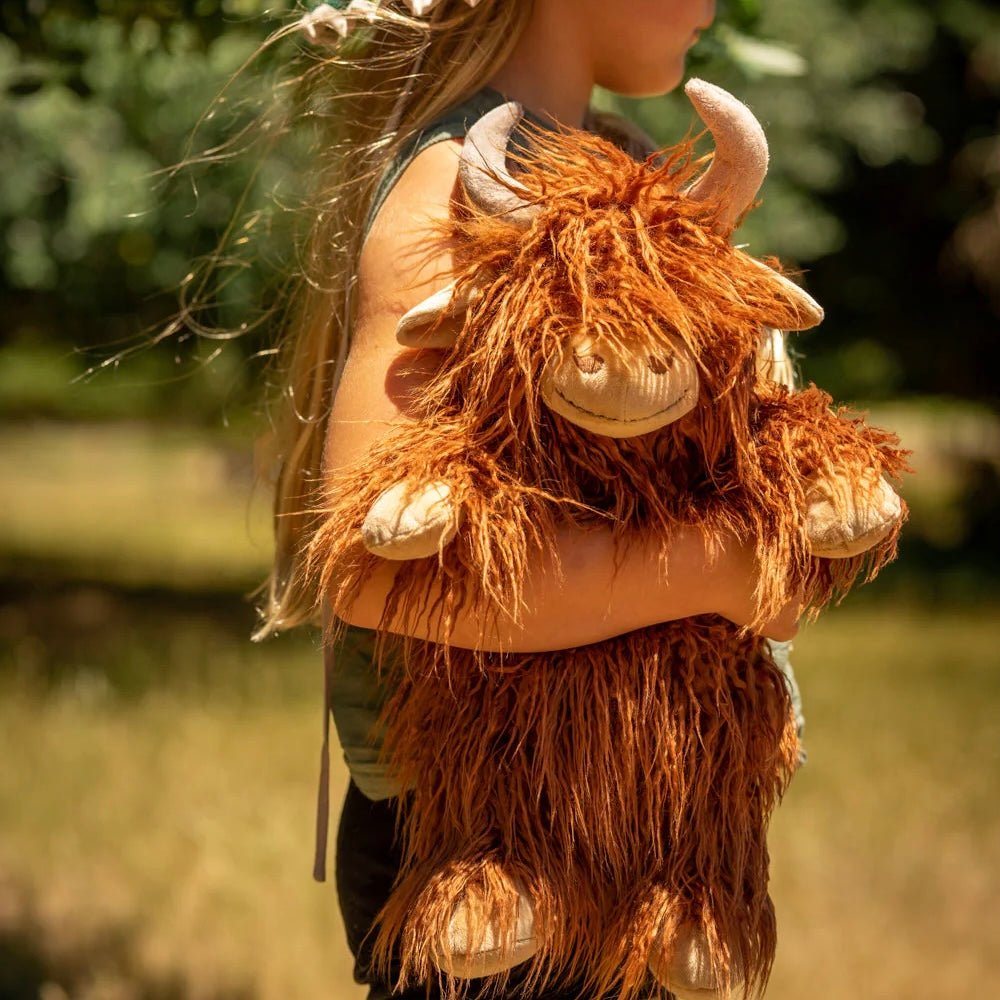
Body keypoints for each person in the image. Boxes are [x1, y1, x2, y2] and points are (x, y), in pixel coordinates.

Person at [256, 2, 804, 997]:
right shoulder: (456, 178)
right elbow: (376, 572)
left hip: (637, 820)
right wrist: (722, 568)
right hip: (481, 845)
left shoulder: (613, 159)